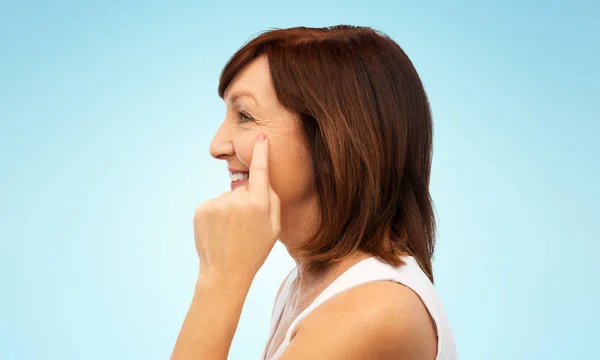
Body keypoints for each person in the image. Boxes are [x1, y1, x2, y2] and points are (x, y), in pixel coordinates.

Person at [171, 25, 457, 360]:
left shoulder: (373, 310)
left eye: (245, 116)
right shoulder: (304, 284)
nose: (217, 146)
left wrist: (219, 280)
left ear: (331, 139)